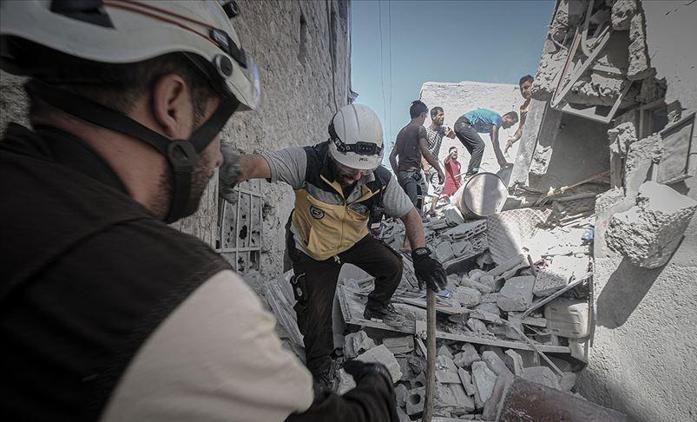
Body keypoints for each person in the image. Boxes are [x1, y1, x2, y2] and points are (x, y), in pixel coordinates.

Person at [0, 2, 401, 421]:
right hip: (312, 256)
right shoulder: (178, 297)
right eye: (217, 126)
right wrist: (376, 394)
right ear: (172, 103)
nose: (213, 156)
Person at [219, 103, 448, 392]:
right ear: (333, 150)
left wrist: (421, 253)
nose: (356, 177)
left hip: (352, 240)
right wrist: (235, 168)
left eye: (362, 172)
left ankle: (376, 307)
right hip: (312, 249)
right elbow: (260, 164)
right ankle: (320, 370)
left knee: (393, 266)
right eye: (349, 170)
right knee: (316, 315)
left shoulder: (378, 179)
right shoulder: (307, 162)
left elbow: (410, 214)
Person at [389, 100, 445, 215]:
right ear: (422, 115)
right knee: (413, 213)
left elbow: (391, 157)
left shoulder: (402, 132)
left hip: (404, 176)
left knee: (409, 209)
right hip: (412, 176)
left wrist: (399, 174)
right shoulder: (420, 129)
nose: (425, 119)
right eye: (425, 116)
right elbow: (425, 151)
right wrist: (439, 169)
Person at [453, 108, 519, 175]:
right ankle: (471, 173)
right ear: (506, 117)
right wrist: (502, 162)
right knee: (480, 146)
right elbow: (495, 142)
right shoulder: (498, 119)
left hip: (458, 126)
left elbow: (495, 145)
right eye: (511, 123)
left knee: (476, 153)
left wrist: (502, 162)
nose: (510, 126)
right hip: (463, 124)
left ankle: (471, 172)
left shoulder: (492, 125)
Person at [423, 106, 456, 216]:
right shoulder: (426, 132)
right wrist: (425, 165)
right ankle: (420, 213)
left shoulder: (442, 130)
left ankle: (432, 209)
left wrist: (451, 133)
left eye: (443, 114)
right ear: (433, 117)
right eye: (440, 115)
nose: (443, 117)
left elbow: (452, 137)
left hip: (435, 164)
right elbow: (421, 150)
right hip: (425, 164)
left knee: (439, 187)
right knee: (423, 189)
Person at [505, 75, 534, 154]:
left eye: (526, 87)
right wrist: (512, 140)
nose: (523, 91)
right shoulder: (523, 107)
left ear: (533, 86)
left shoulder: (539, 102)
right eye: (521, 89)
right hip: (529, 143)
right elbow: (521, 128)